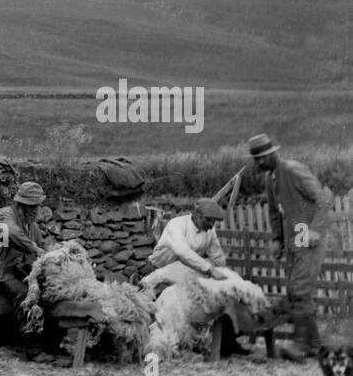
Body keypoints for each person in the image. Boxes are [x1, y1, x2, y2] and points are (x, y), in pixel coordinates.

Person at [249, 133, 334, 359]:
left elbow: (323, 200)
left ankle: (300, 344)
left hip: (309, 239)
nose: (259, 163)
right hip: (293, 242)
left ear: (273, 153)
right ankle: (315, 345)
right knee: (297, 291)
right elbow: (274, 213)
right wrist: (277, 240)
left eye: (263, 158)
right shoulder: (271, 178)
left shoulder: (293, 170)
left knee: (299, 290)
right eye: (256, 159)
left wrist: (315, 229)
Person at [0, 181, 50, 361]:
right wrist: (34, 249)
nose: (35, 210)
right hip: (0, 273)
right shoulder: (3, 216)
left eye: (36, 206)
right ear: (21, 204)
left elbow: (41, 252)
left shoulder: (33, 227)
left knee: (46, 292)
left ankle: (50, 343)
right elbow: (10, 235)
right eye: (32, 206)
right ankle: (33, 350)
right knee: (25, 296)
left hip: (22, 272)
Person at [140, 198, 230, 291]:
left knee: (202, 268)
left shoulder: (210, 231)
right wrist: (210, 270)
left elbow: (217, 255)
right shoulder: (176, 224)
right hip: (160, 266)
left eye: (213, 221)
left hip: (184, 269)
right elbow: (182, 251)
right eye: (208, 220)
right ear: (197, 215)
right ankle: (146, 282)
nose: (211, 225)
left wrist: (224, 273)